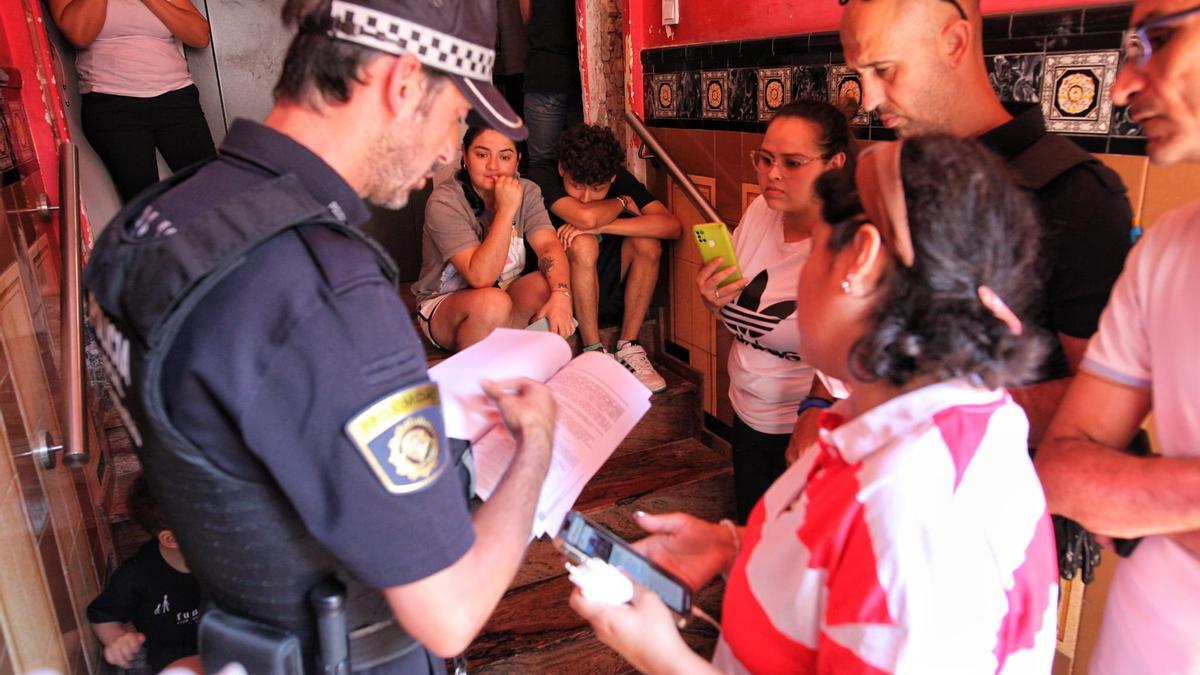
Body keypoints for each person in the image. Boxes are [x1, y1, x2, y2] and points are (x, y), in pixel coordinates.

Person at [84, 0, 557, 672]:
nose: (450, 151)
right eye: (456, 118)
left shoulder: (164, 215)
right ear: (403, 82)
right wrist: (537, 445)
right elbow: (448, 610)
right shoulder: (326, 287)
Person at [571, 135, 1059, 674]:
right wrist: (736, 545)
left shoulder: (914, 507)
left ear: (862, 258)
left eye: (817, 247)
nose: (799, 277)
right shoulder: (889, 422)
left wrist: (660, 656)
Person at [835, 0, 1135, 583]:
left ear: (953, 42)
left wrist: (927, 412)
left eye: (885, 70)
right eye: (859, 75)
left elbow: (1101, 408)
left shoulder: (1076, 198)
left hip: (993, 536)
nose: (868, 99)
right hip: (882, 504)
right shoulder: (892, 178)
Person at [1036, 3, 1200, 672]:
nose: (1124, 84)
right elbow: (1063, 470)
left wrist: (1141, 495)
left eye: (1159, 40)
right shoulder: (1167, 249)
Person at [693, 100, 852, 523]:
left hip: (803, 432)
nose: (771, 174)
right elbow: (741, 313)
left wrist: (814, 413)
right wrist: (713, 300)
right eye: (764, 159)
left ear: (834, 165)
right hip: (746, 413)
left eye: (792, 162)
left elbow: (859, 348)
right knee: (751, 531)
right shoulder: (761, 211)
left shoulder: (850, 245)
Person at [530, 124, 682, 392]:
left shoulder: (615, 174)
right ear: (562, 168)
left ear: (612, 178)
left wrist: (605, 226)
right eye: (576, 186)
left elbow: (671, 226)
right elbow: (585, 217)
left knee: (648, 242)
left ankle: (629, 346)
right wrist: (621, 204)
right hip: (561, 291)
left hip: (608, 281)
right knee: (583, 241)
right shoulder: (543, 175)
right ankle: (593, 350)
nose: (586, 197)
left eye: (598, 189)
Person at [414, 126, 573, 351]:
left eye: (505, 157)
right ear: (465, 156)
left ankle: (519, 361)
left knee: (546, 285)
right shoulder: (445, 201)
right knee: (492, 303)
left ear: (517, 161)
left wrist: (561, 294)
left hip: (504, 294)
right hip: (445, 307)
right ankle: (477, 377)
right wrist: (506, 211)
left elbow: (548, 246)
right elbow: (481, 278)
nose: (493, 166)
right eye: (482, 154)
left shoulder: (527, 191)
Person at [48, 0, 217, 201]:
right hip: (113, 105)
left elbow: (200, 36)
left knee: (213, 188)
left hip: (176, 97)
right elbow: (79, 34)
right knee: (143, 203)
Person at [87, 477, 202, 673]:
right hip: (174, 665)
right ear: (171, 538)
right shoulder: (138, 575)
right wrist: (117, 640)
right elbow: (102, 616)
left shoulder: (225, 563)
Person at [519, 0, 582, 166]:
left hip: (545, 70)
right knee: (586, 160)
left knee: (542, 162)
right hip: (583, 71)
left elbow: (527, 17)